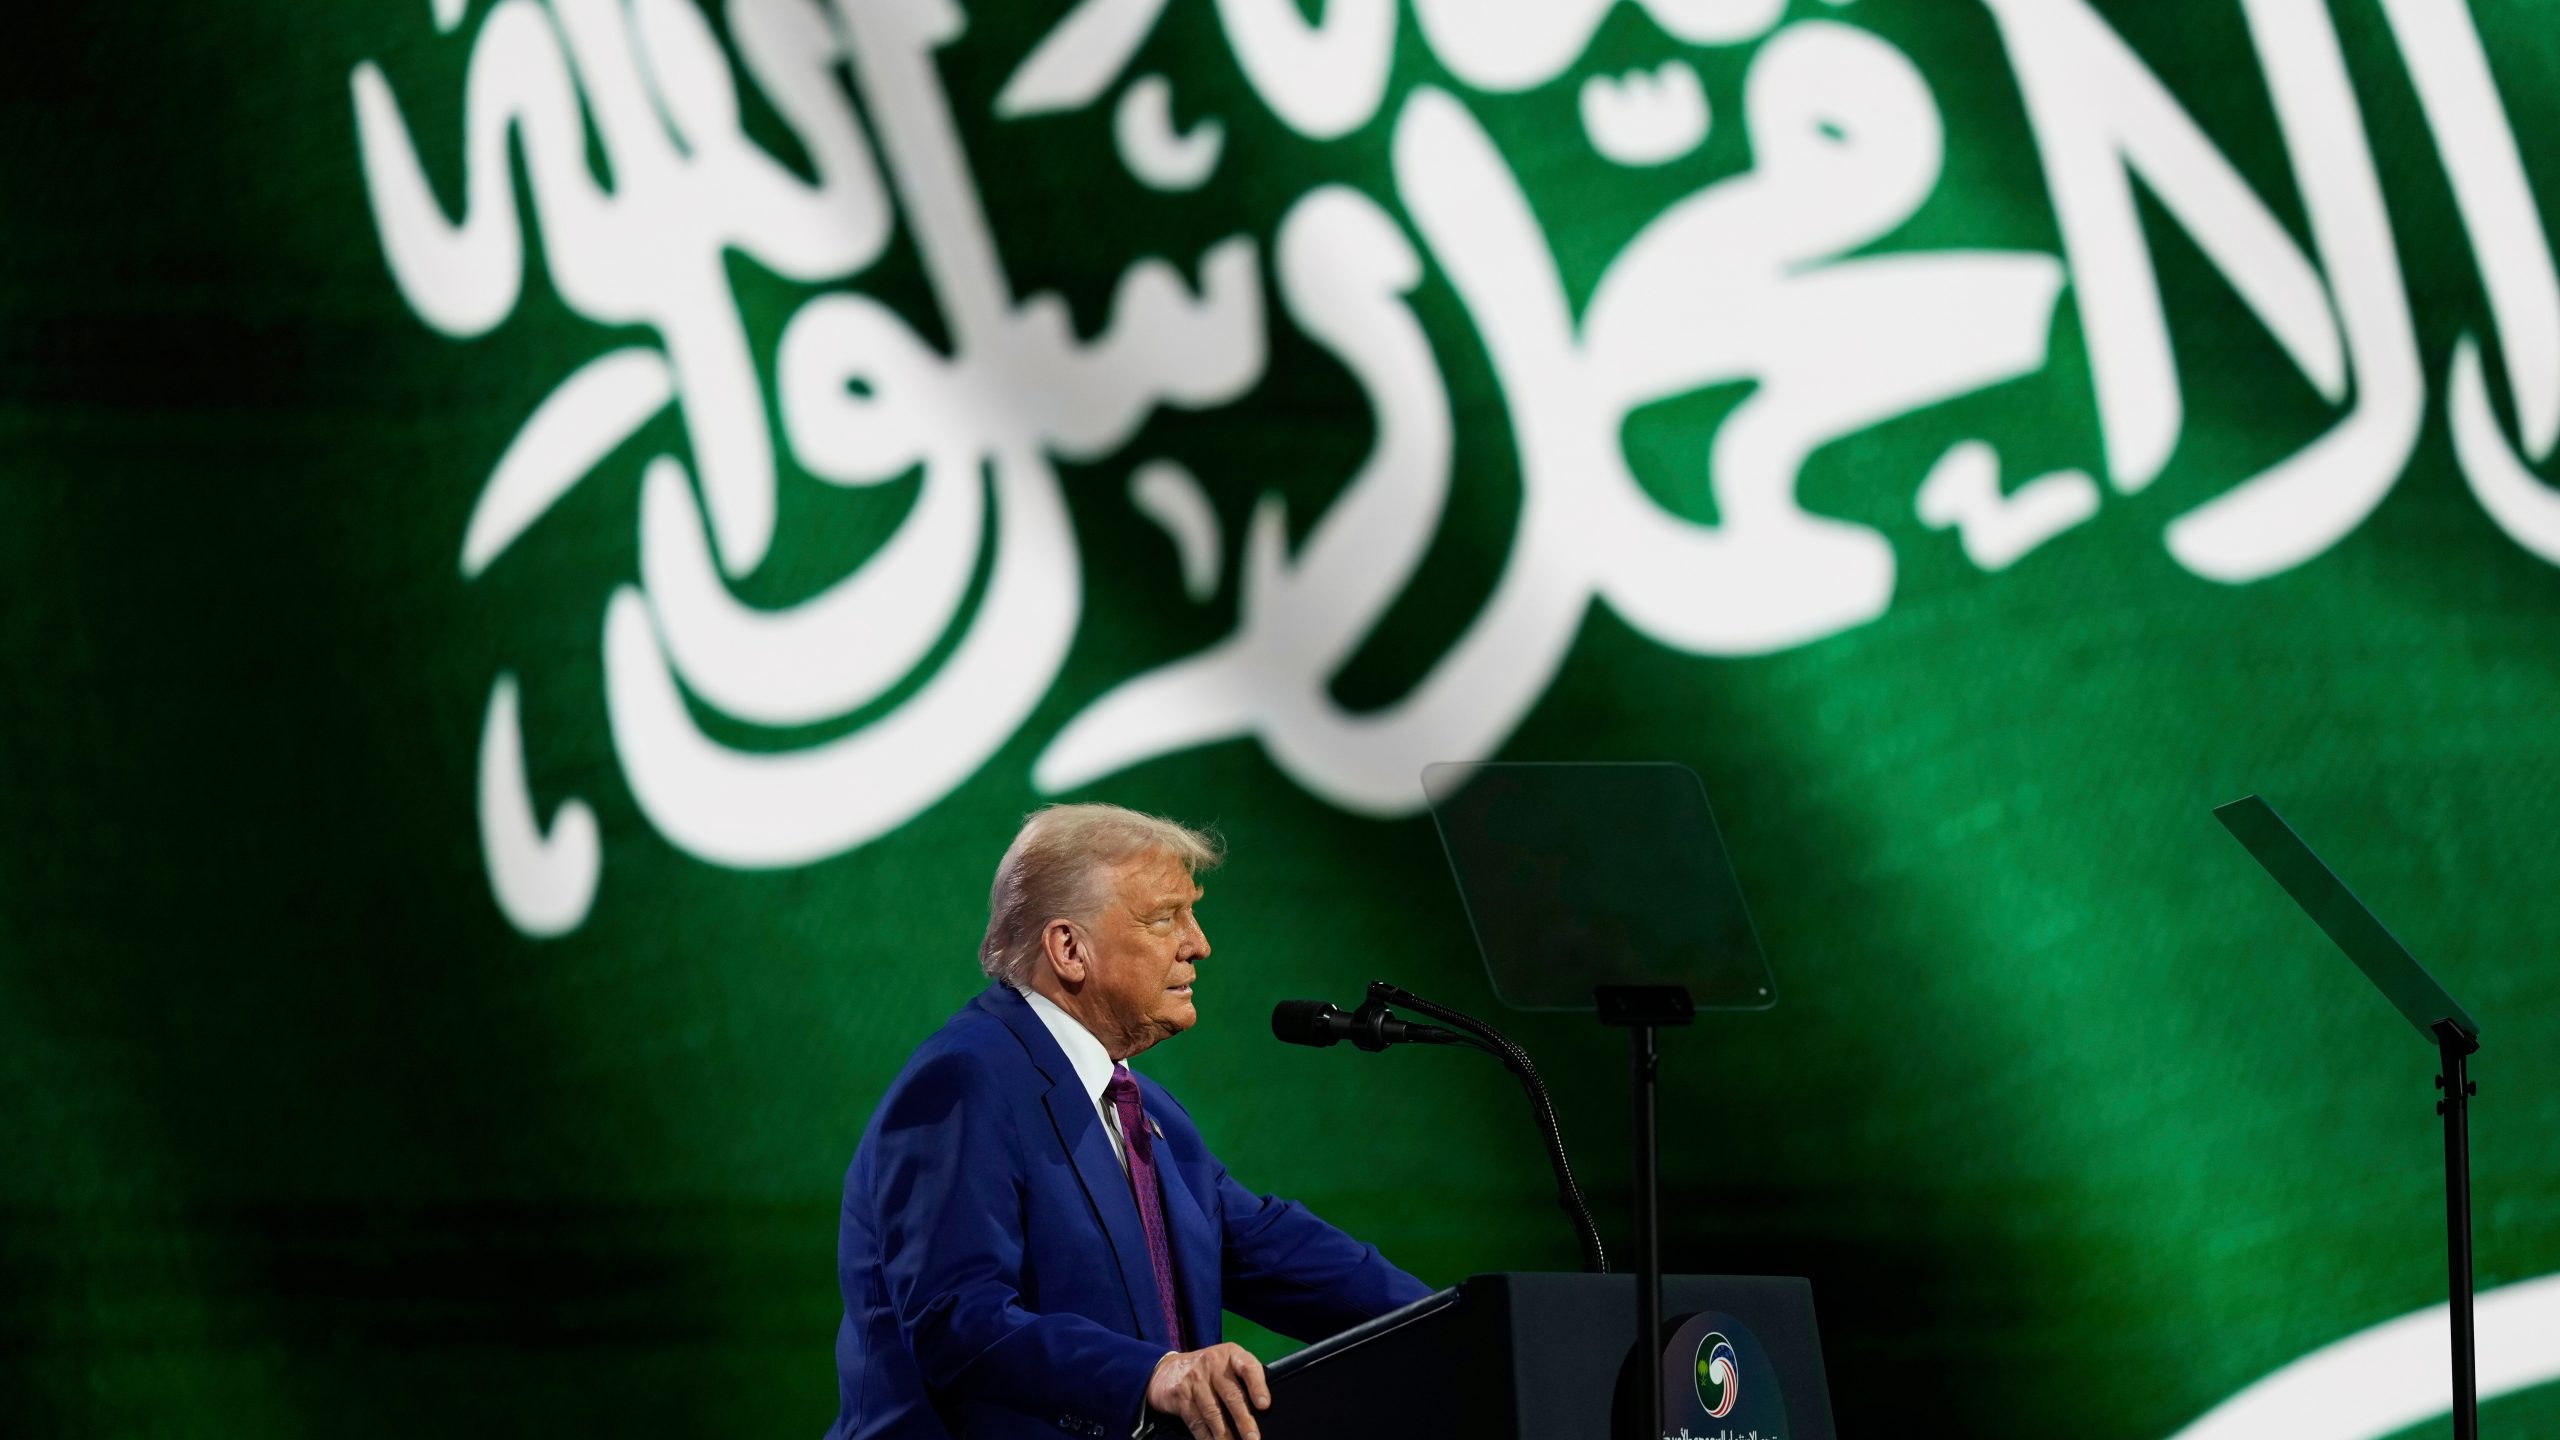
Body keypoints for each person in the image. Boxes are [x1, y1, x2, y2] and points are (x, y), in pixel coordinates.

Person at [825, 804, 1432, 1440]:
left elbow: (1267, 1248)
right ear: (1068, 947)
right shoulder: (965, 1080)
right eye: (1165, 917)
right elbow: (957, 1319)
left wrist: (1454, 1320)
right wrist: (1153, 1375)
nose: (1198, 944)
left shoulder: (1144, 1108)